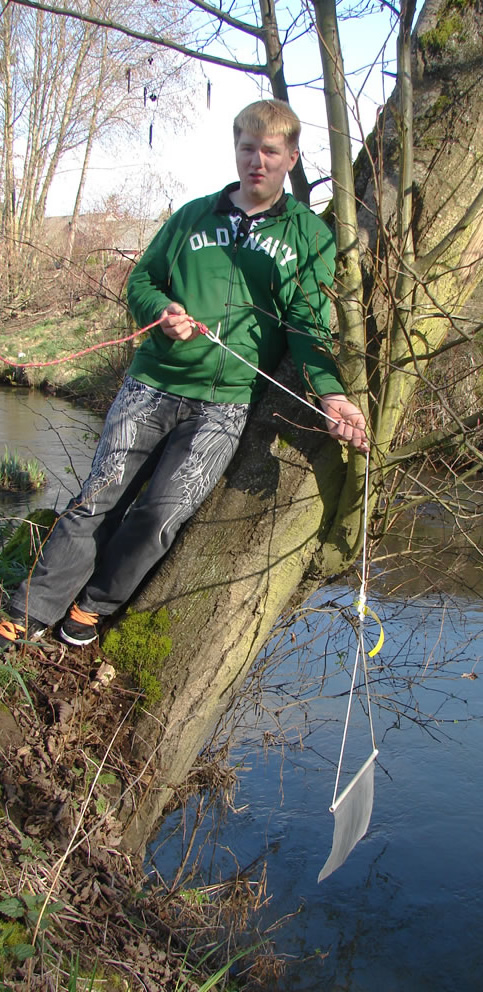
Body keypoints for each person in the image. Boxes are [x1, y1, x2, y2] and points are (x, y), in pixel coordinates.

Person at [0, 98, 368, 653]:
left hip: (222, 405)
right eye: (247, 148)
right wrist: (162, 312)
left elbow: (307, 325)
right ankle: (26, 612)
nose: (257, 162)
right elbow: (142, 281)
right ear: (237, 150)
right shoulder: (194, 215)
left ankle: (92, 606)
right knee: (97, 498)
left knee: (160, 517)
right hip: (150, 385)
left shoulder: (307, 239)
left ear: (291, 157)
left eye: (270, 151)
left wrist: (333, 394)